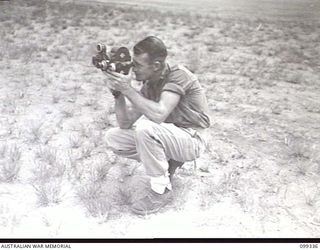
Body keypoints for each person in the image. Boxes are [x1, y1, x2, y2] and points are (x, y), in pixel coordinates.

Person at [103, 36, 210, 215]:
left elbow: (159, 114)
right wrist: (118, 94)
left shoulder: (178, 75)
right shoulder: (150, 84)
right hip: (173, 136)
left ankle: (161, 191)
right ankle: (168, 165)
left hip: (193, 139)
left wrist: (128, 89)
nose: (132, 67)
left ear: (156, 65)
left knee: (147, 129)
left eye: (137, 64)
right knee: (114, 137)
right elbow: (125, 122)